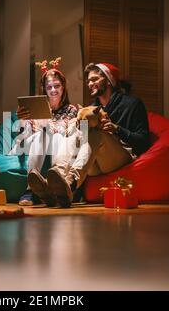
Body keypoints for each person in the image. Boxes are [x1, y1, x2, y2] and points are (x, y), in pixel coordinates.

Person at [28, 62, 151, 207]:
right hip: (95, 163)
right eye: (88, 81)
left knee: (96, 132)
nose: (90, 83)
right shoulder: (90, 109)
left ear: (108, 80)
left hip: (120, 156)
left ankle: (70, 184)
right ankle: (57, 180)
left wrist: (117, 129)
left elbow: (143, 141)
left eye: (94, 79)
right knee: (76, 124)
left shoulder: (132, 104)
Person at [15, 58, 78, 206]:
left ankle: (57, 183)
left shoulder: (71, 110)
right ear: (44, 89)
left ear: (63, 88)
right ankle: (30, 190)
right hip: (35, 144)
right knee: (44, 133)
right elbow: (24, 136)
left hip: (59, 146)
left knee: (55, 135)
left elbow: (68, 135)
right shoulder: (36, 107)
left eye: (57, 86)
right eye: (49, 87)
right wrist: (22, 120)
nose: (53, 90)